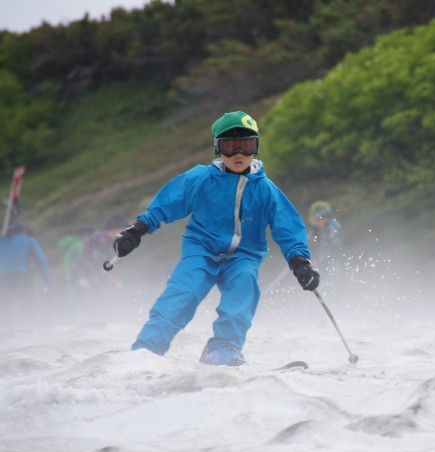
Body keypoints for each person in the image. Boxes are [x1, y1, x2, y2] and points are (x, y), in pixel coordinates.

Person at [113, 110, 319, 366]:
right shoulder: (200, 179)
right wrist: (136, 231)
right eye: (230, 147)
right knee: (183, 294)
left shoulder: (266, 190)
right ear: (217, 148)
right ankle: (146, 350)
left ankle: (223, 348)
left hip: (244, 256)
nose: (238, 155)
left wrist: (300, 261)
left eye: (246, 146)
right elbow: (167, 203)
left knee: (244, 287)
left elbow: (288, 228)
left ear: (256, 147)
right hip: (201, 251)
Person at [0, 222, 51, 323]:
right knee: (26, 307)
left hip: (2, 278)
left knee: (4, 309)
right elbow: (42, 261)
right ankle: (28, 331)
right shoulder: (29, 241)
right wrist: (47, 282)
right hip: (22, 277)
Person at [307, 200, 344, 276]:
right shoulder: (323, 228)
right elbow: (312, 244)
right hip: (324, 267)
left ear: (323, 217)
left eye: (316, 220)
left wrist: (324, 261)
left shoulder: (333, 227)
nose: (315, 223)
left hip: (333, 267)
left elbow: (334, 245)